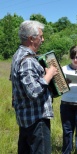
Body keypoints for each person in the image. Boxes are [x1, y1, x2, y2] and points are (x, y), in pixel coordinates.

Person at [10, 20, 58, 154]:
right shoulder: (28, 61)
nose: (43, 40)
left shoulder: (17, 56)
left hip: (25, 119)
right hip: (36, 120)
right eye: (41, 36)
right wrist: (49, 75)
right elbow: (33, 92)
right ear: (31, 38)